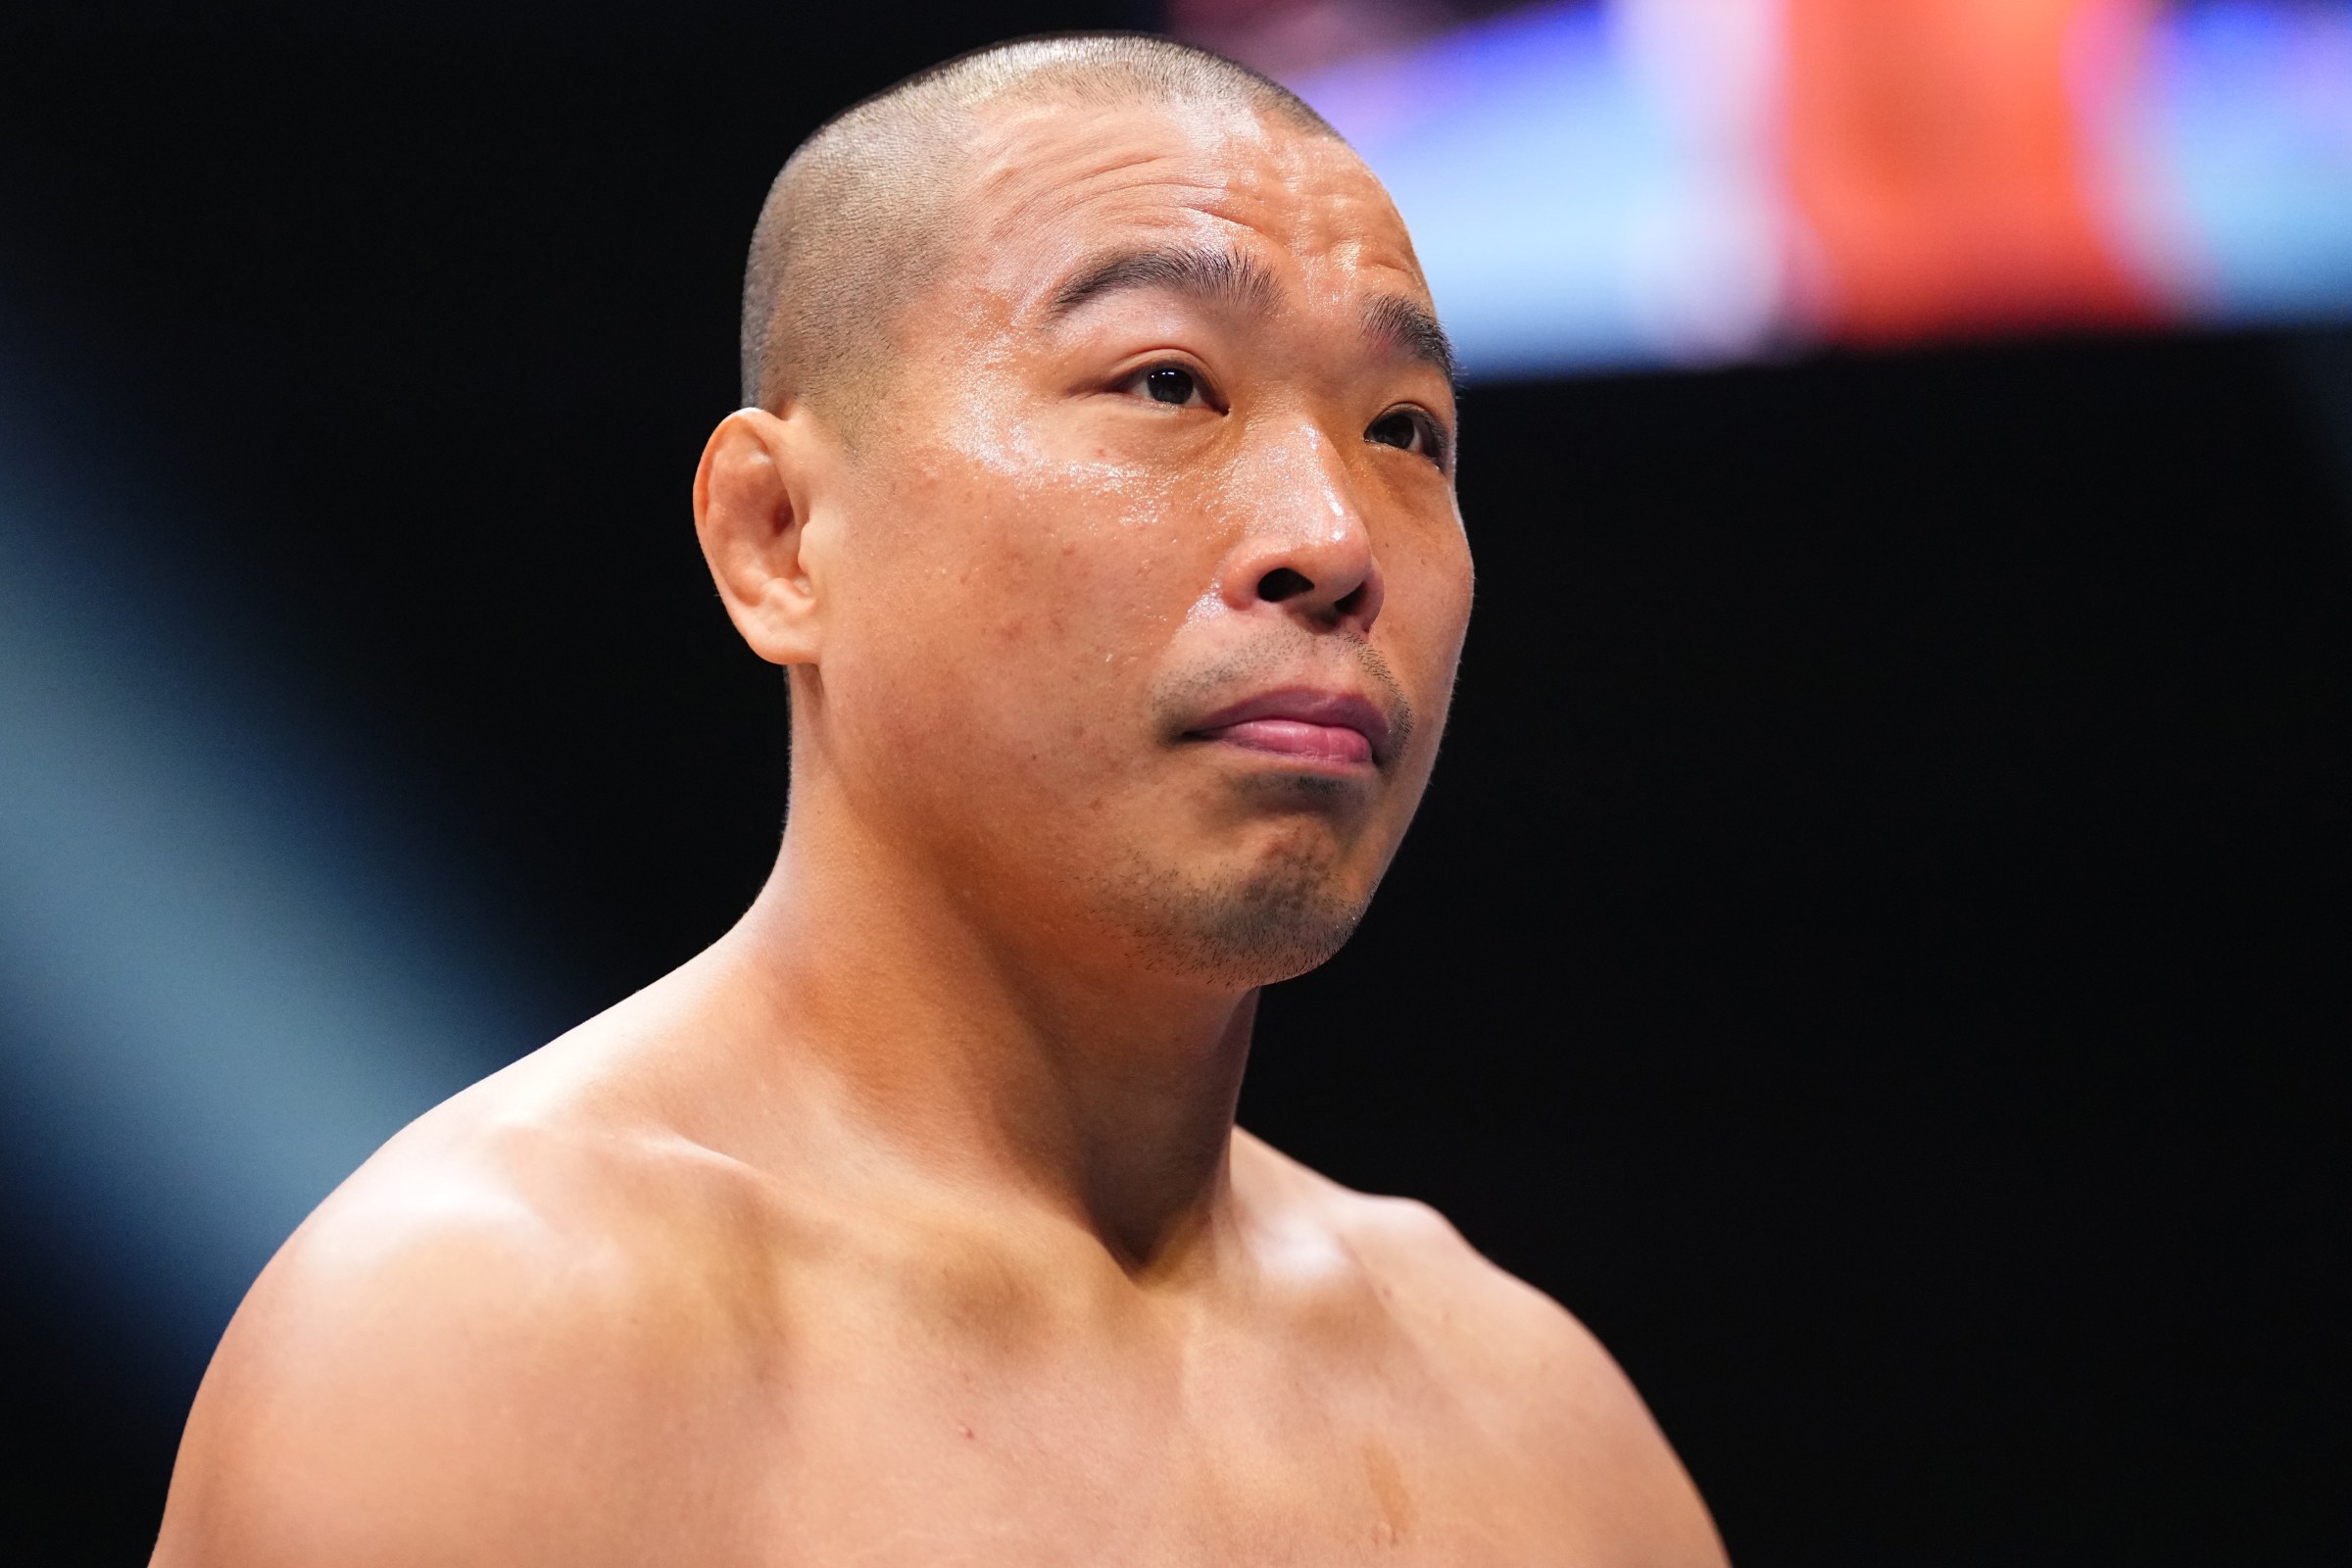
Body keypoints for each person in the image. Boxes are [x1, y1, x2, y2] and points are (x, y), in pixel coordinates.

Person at [152, 34, 1726, 1566]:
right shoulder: (483, 1345)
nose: (1333, 536)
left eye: (1406, 432)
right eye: (1170, 382)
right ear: (779, 535)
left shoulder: (1544, 1438)